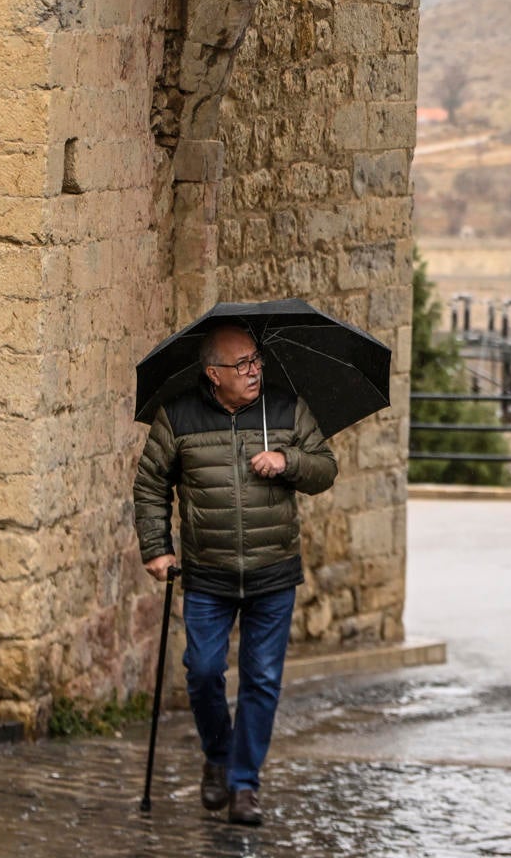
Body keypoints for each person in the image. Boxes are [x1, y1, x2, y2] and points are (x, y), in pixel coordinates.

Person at [133, 323, 337, 826]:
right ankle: (219, 755)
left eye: (256, 361)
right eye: (241, 364)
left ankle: (245, 785)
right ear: (212, 374)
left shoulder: (285, 408)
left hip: (273, 570)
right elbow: (150, 485)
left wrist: (287, 460)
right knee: (203, 674)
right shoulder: (177, 416)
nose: (253, 371)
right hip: (208, 572)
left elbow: (325, 469)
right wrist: (157, 549)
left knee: (261, 680)